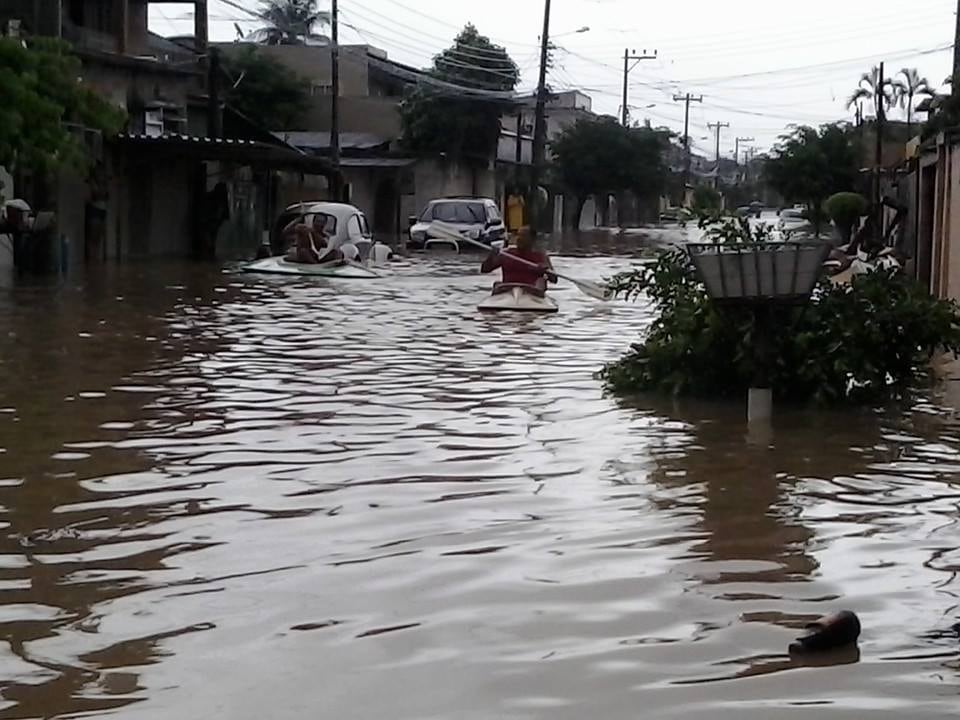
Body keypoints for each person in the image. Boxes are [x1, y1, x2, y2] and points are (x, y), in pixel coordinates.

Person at [480, 226, 557, 291]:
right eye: (518, 235)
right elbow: (484, 269)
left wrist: (546, 271)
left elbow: (554, 279)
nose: (519, 238)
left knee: (541, 282)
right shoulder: (507, 254)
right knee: (497, 284)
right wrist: (491, 256)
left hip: (532, 292)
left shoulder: (541, 256)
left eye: (524, 236)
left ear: (532, 239)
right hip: (508, 291)